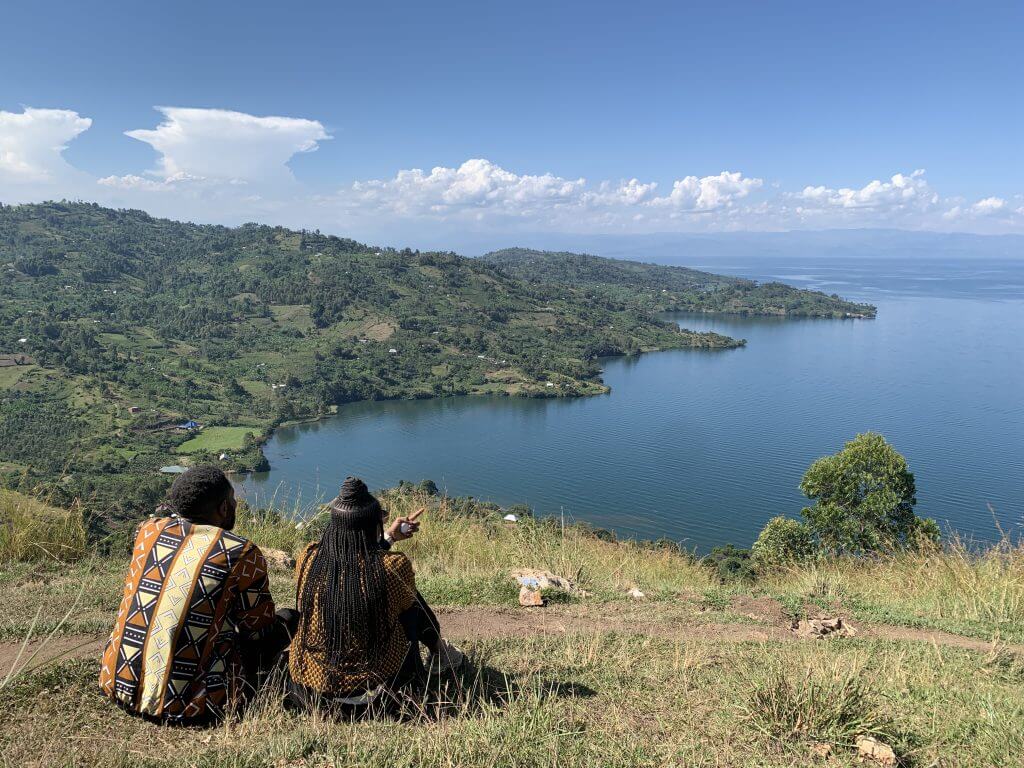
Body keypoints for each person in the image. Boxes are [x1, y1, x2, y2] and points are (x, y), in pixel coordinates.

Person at [99, 465, 298, 724]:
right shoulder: (239, 552)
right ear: (224, 509)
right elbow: (258, 629)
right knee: (289, 619)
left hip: (116, 681)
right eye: (233, 501)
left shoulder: (148, 531)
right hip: (195, 704)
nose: (236, 506)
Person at [287, 477, 462, 711]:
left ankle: (441, 652)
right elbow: (369, 572)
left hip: (314, 690)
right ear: (374, 527)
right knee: (411, 605)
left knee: (394, 592)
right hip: (377, 690)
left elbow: (354, 566)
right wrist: (385, 540)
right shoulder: (394, 567)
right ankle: (441, 653)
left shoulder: (308, 558)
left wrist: (388, 538)